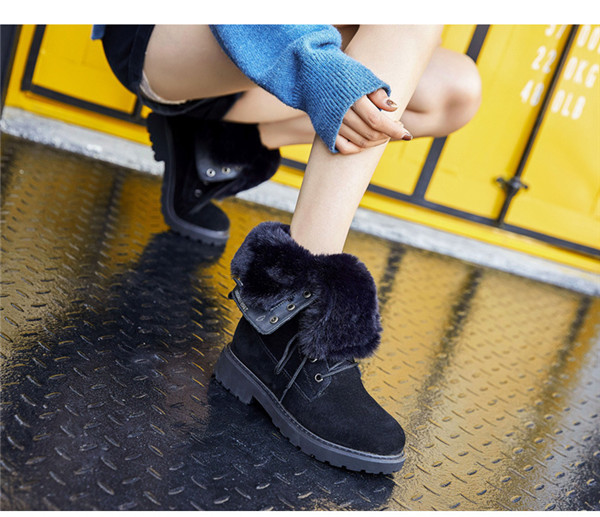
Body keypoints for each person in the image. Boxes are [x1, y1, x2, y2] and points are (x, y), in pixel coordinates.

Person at [94, 24, 481, 474]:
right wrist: (317, 66)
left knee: (454, 91)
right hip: (172, 38)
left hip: (248, 77)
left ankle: (216, 142)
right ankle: (290, 314)